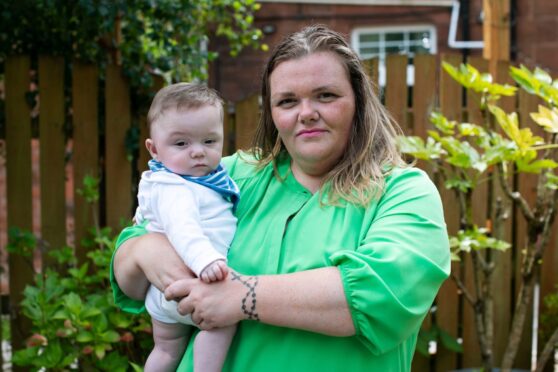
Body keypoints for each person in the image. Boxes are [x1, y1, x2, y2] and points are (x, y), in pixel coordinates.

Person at [111, 24, 450, 371]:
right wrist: (143, 250)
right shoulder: (232, 177)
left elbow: (379, 296)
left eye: (326, 96)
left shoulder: (404, 193)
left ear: (359, 102)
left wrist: (242, 296)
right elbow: (129, 268)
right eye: (287, 101)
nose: (306, 113)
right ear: (272, 113)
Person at [134, 83, 239, 372]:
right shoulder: (176, 187)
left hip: (163, 293)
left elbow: (147, 210)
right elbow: (183, 228)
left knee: (166, 350)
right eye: (181, 144)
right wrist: (205, 261)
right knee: (222, 324)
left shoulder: (162, 179)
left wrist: (140, 216)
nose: (197, 153)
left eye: (209, 141)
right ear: (154, 149)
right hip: (192, 279)